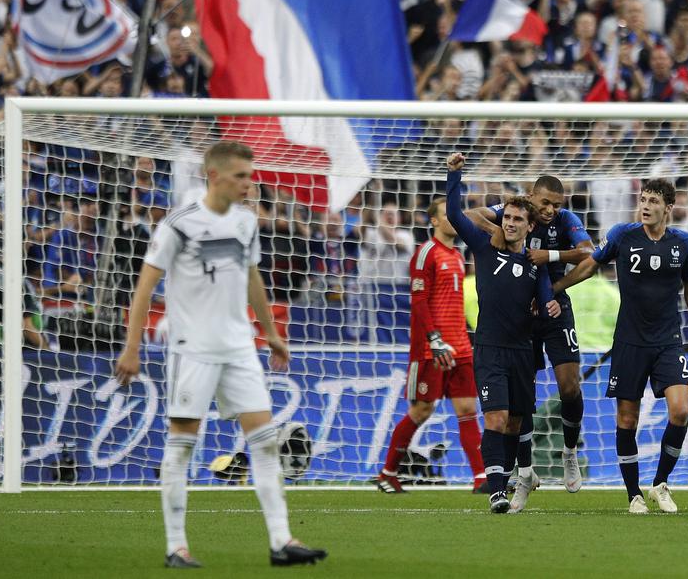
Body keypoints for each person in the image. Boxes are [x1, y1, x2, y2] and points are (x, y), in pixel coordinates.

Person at [114, 140, 326, 568]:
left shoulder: (247, 222)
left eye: (250, 176)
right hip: (192, 348)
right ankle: (176, 546)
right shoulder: (180, 223)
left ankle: (281, 541)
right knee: (183, 445)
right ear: (214, 176)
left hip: (239, 346)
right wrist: (131, 347)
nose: (249, 184)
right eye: (240, 176)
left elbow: (252, 279)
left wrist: (270, 334)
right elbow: (144, 285)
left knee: (264, 442)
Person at [555, 179, 688, 515]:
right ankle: (633, 495)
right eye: (643, 199)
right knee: (627, 419)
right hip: (630, 342)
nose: (646, 205)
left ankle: (660, 484)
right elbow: (591, 265)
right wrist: (558, 286)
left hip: (669, 341)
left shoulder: (683, 242)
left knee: (680, 409)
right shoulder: (624, 235)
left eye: (653, 200)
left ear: (668, 207)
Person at [444, 152, 560, 513]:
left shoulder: (534, 265)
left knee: (514, 422)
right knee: (494, 418)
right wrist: (454, 176)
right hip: (490, 349)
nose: (510, 223)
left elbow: (544, 303)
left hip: (522, 352)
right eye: (507, 217)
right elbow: (454, 216)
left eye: (517, 219)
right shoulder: (483, 249)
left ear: (528, 227)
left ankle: (510, 476)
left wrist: (551, 307)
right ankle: (496, 491)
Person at [468, 174, 593, 508]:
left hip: (553, 304)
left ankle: (569, 451)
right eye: (545, 203)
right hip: (520, 312)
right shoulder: (514, 215)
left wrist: (551, 268)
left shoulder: (567, 220)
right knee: (521, 404)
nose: (551, 210)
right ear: (531, 197)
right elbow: (471, 216)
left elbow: (589, 255)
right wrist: (497, 232)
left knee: (569, 385)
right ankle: (524, 471)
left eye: (556, 204)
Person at [375, 196, 487, 494]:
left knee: (467, 409)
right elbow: (419, 300)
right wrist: (434, 339)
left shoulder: (456, 256)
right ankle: (388, 473)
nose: (453, 219)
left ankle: (481, 478)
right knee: (422, 410)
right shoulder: (426, 253)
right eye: (446, 215)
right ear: (434, 221)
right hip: (431, 349)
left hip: (460, 346)